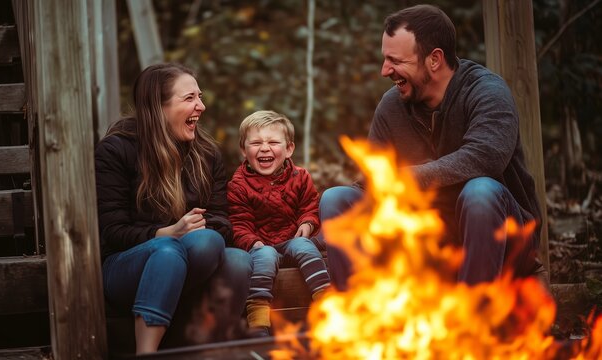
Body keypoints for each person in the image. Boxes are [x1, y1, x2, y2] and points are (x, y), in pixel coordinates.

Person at [321, 4, 544, 289]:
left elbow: (486, 158)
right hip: (428, 239)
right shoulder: (392, 105)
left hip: (504, 238)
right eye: (385, 59)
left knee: (480, 191)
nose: (384, 70)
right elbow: (375, 183)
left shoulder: (487, 92)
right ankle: (363, 318)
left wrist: (411, 177)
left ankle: (472, 319)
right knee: (336, 199)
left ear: (434, 59)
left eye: (395, 60)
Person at [95, 62, 252, 354]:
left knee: (235, 259)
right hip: (126, 268)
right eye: (190, 98)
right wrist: (168, 233)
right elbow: (113, 231)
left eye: (200, 96)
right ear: (159, 106)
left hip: (193, 256)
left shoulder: (206, 154)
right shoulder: (116, 150)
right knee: (168, 250)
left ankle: (210, 352)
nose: (201, 106)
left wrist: (198, 227)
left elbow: (222, 220)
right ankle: (146, 351)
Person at [227, 110, 330, 337]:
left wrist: (307, 223)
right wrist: (252, 242)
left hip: (291, 239)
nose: (265, 148)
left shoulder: (299, 176)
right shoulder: (238, 185)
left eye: (273, 142)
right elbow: (239, 221)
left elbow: (310, 205)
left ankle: (326, 302)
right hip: (260, 245)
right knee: (265, 257)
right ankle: (258, 319)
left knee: (306, 246)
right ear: (244, 151)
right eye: (256, 143)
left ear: (289, 149)